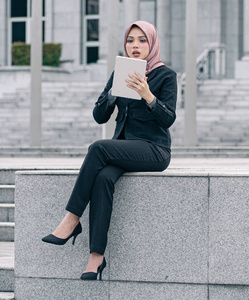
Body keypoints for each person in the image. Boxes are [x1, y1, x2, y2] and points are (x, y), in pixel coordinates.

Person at [41, 21, 177, 281]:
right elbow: (99, 116)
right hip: (123, 148)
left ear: (152, 44)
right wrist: (114, 94)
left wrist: (148, 96)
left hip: (154, 150)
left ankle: (71, 219)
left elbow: (168, 118)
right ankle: (96, 257)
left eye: (142, 40)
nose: (135, 46)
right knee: (103, 178)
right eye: (130, 40)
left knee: (98, 148)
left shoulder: (165, 75)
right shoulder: (120, 72)